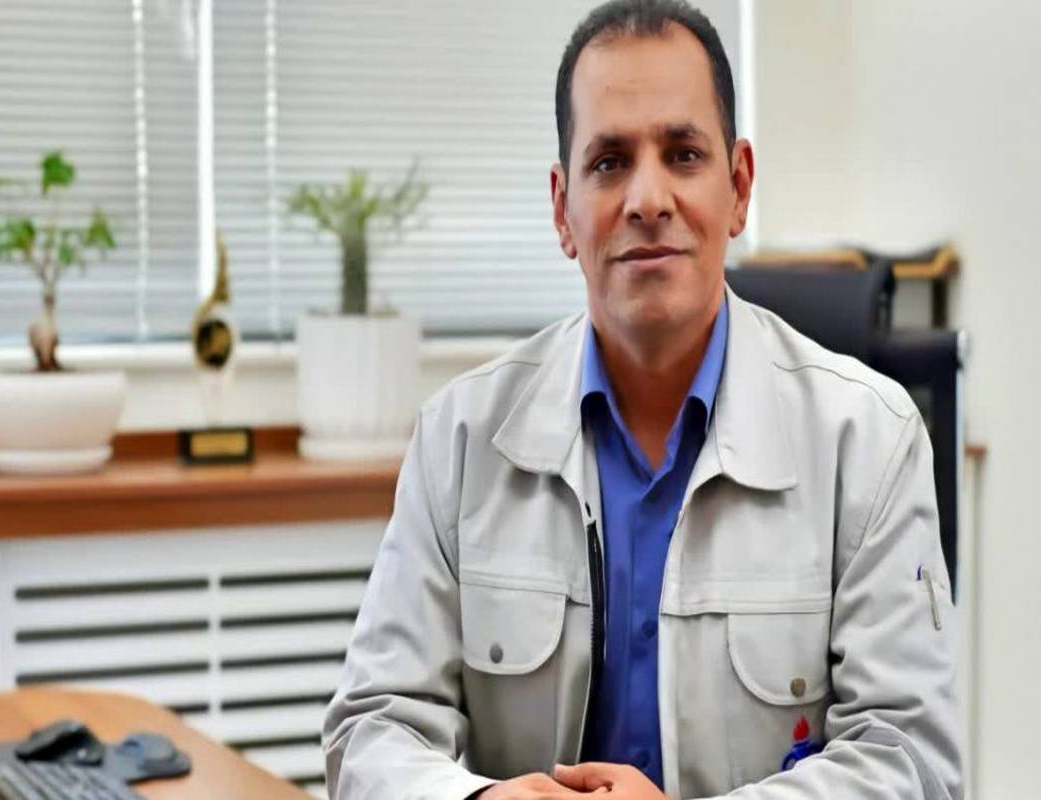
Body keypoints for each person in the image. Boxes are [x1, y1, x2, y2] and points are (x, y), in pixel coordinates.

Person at [323, 1, 962, 797]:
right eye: (609, 162)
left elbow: (912, 759)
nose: (648, 198)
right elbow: (371, 728)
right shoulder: (459, 437)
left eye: (684, 154)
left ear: (739, 187)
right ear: (561, 209)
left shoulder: (869, 441)